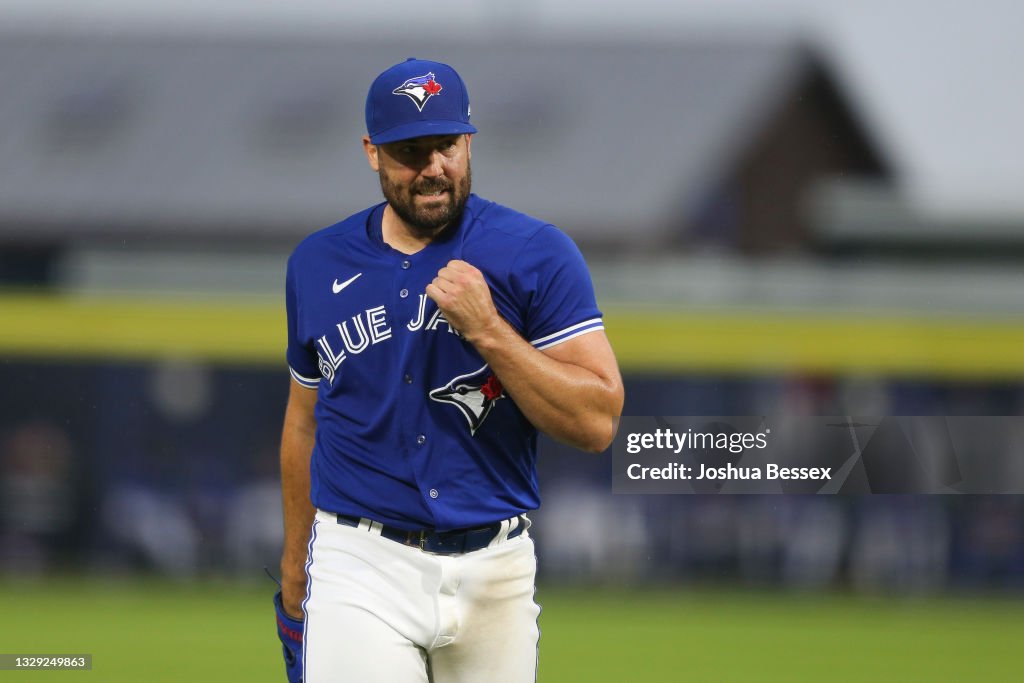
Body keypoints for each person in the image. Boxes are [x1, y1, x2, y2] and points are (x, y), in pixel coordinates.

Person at [274, 57, 624, 683]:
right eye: (411, 150)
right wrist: (296, 563)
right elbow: (304, 423)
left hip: (496, 567)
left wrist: (490, 330)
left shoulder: (535, 253)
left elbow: (597, 421)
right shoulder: (316, 263)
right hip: (360, 560)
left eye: (446, 145)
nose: (433, 167)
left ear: (468, 140)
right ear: (372, 152)